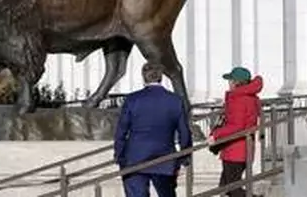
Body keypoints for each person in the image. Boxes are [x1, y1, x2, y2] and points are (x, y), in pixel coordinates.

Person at [113, 62, 193, 197]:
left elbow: (121, 131)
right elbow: (184, 132)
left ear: (144, 77)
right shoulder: (175, 100)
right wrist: (184, 156)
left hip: (135, 157)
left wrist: (119, 155)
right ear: (161, 77)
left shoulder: (132, 99)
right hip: (165, 157)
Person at [211, 66, 264, 197]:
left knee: (232, 189)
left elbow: (236, 126)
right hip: (243, 148)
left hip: (234, 149)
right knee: (225, 188)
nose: (228, 83)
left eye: (230, 80)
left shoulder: (238, 98)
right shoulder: (250, 97)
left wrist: (215, 135)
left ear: (236, 82)